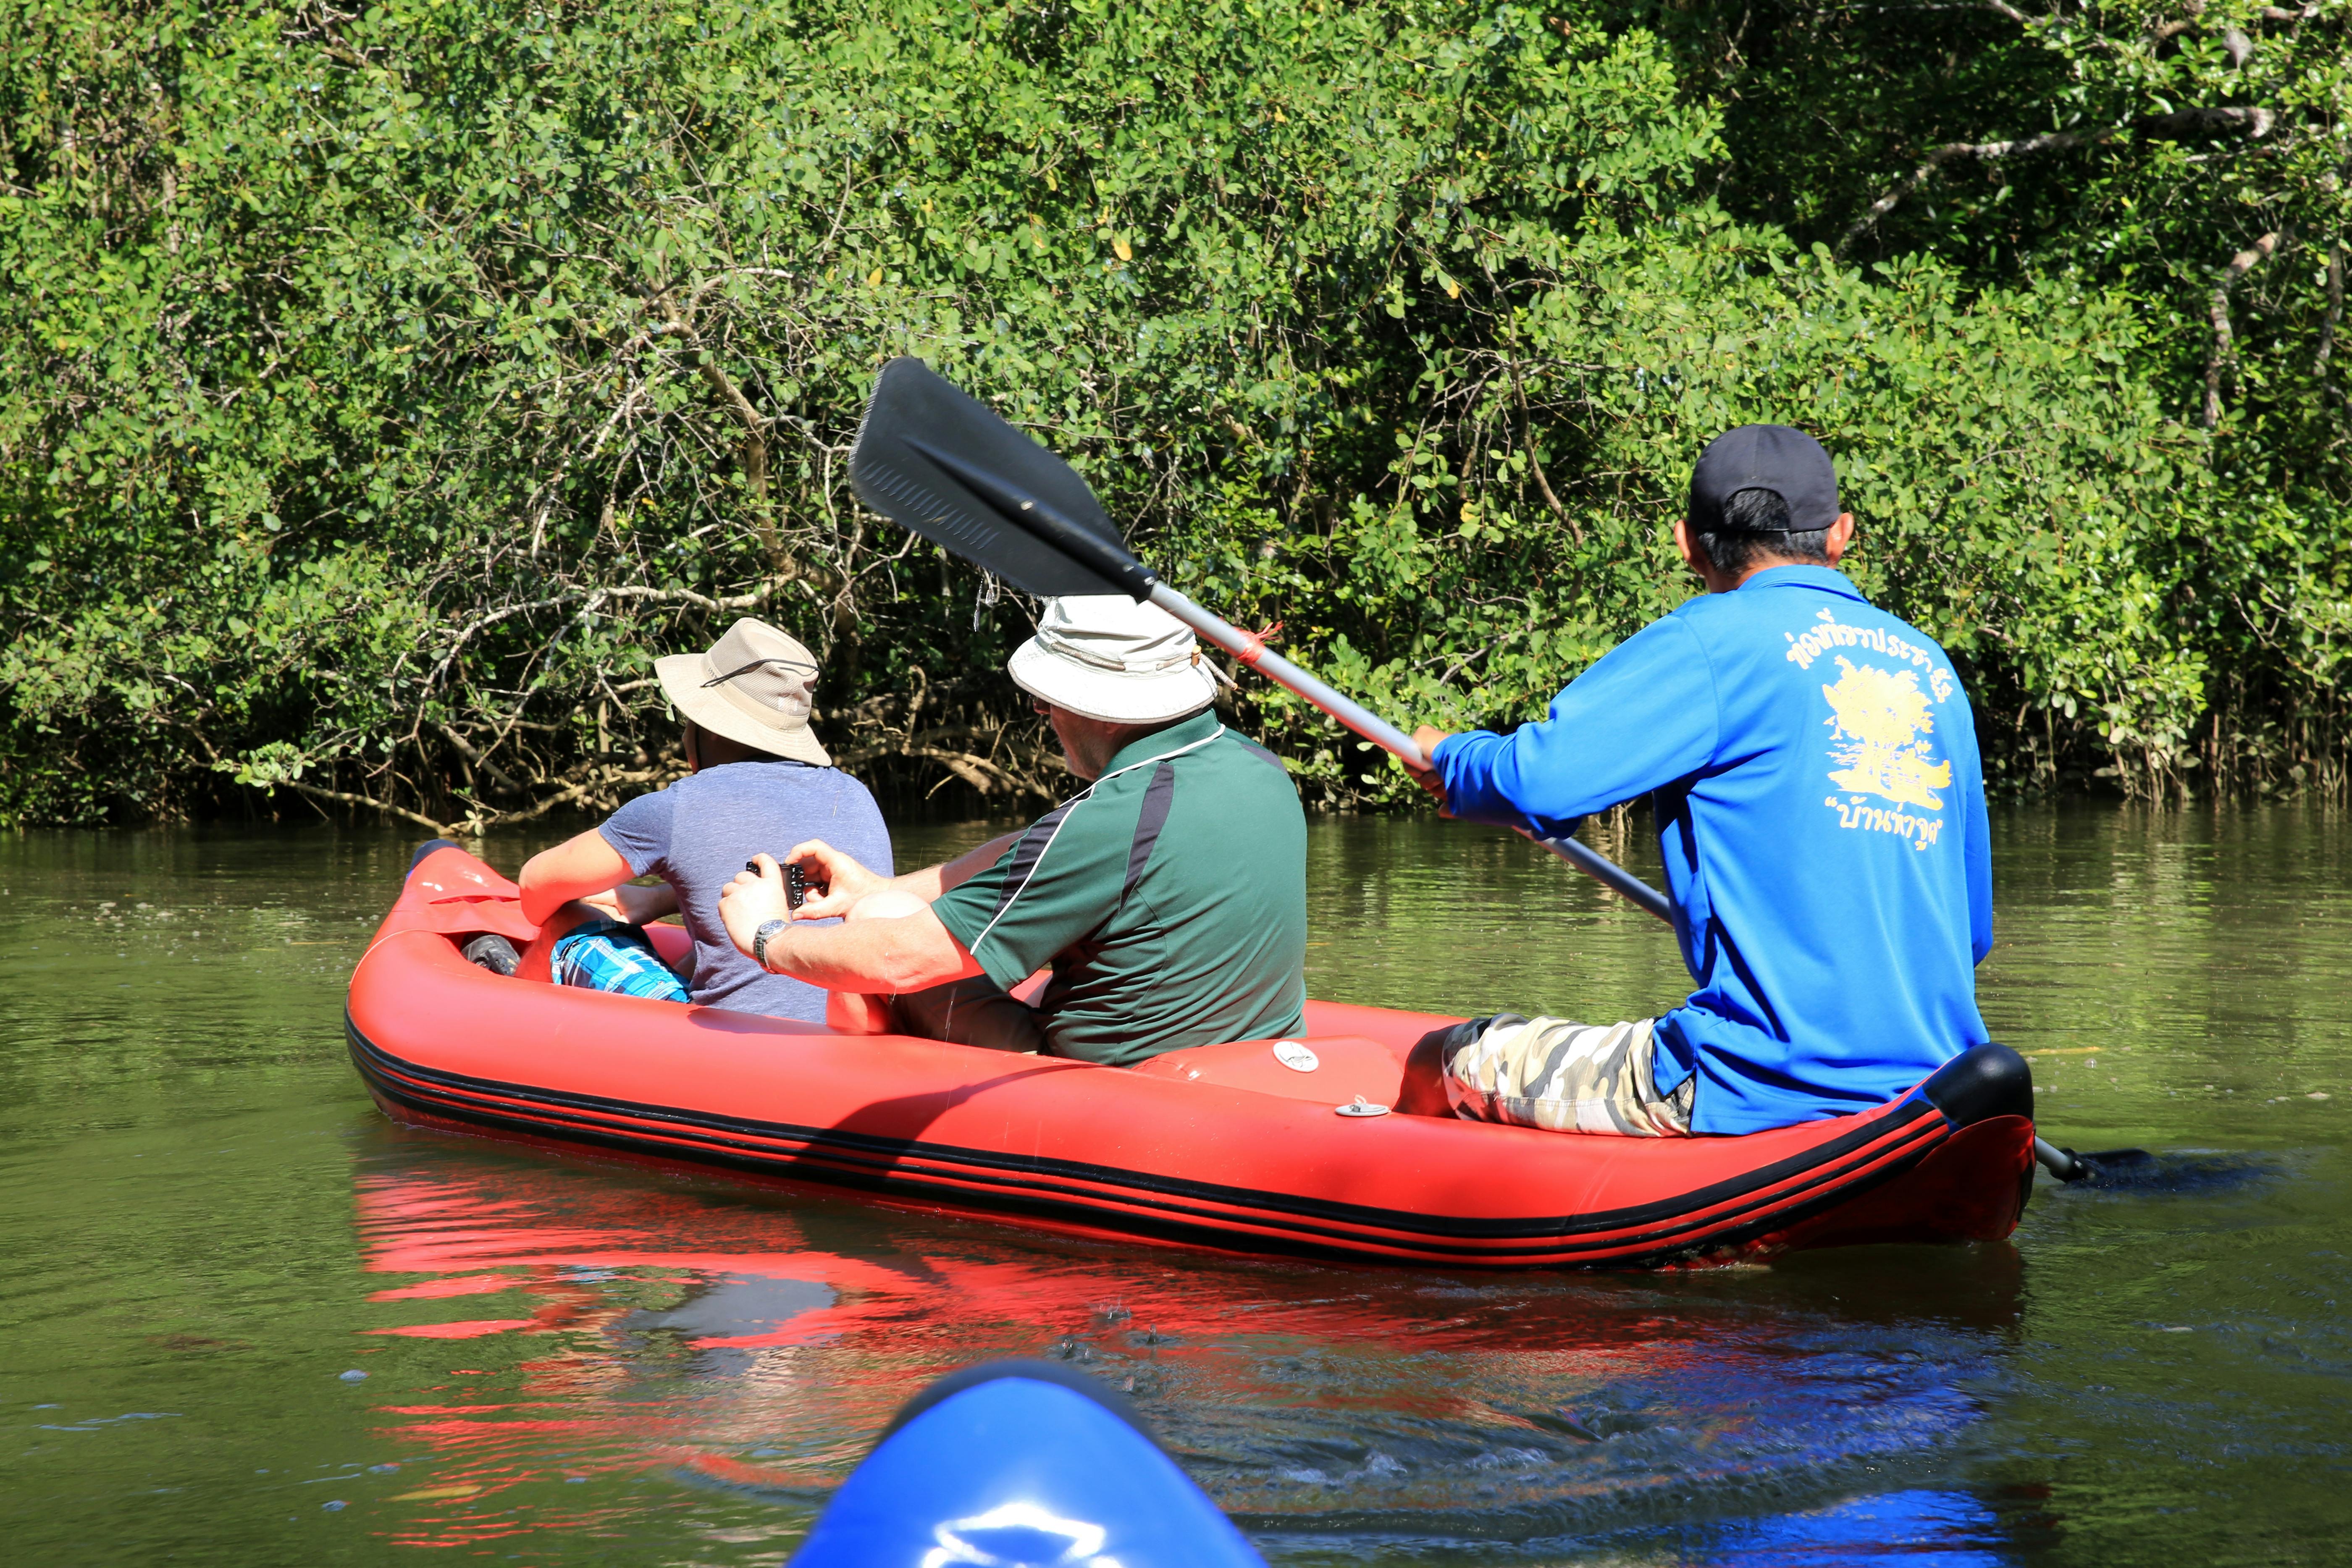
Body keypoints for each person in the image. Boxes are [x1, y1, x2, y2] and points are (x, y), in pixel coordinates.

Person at [1398, 424, 1992, 1137]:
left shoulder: (1711, 638)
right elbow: (1972, 931)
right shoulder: (1930, 668)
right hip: (1934, 1075)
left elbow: (1540, 783)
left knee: (1447, 1056)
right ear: (1841, 534)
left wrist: (1452, 761)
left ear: (1688, 543)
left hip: (1752, 1078)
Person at [714, 595, 1308, 1065]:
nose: (1041, 712)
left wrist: (766, 936)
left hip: (1109, 1087)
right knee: (881, 904)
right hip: (1242, 1057)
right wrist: (874, 886)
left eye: (1047, 698)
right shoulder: (1260, 768)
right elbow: (1048, 850)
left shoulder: (1117, 817)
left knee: (875, 928)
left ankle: (840, 1087)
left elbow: (903, 960)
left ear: (1099, 703)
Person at [514, 617, 892, 1023]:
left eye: (686, 719)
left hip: (733, 1050)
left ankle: (507, 1022)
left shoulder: (674, 808)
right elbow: (794, 889)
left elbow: (535, 887)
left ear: (710, 729)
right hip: (849, 1033)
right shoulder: (855, 794)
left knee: (570, 919)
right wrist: (661, 899)